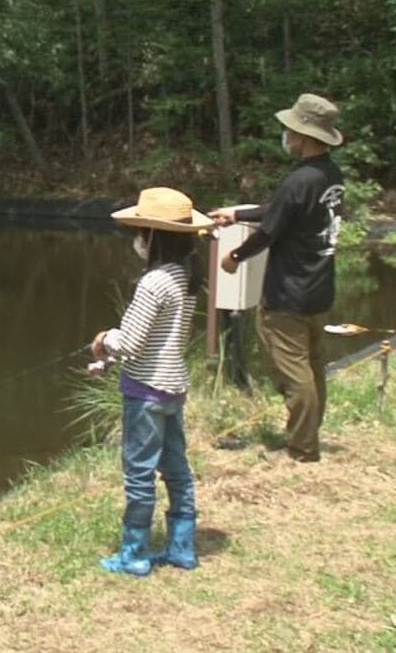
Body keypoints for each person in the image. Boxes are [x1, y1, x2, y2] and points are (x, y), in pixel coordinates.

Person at [208, 93, 345, 463]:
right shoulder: (329, 175)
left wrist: (235, 257)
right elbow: (281, 213)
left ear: (305, 136)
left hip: (288, 295)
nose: (285, 135)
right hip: (320, 289)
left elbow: (270, 231)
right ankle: (306, 435)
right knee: (314, 368)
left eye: (290, 130)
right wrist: (237, 215)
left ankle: (302, 448)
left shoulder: (297, 180)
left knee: (292, 372)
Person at [90, 187, 212, 576]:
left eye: (140, 232)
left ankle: (135, 554)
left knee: (139, 472)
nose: (136, 241)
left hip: (144, 393)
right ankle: (181, 548)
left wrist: (103, 341)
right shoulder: (184, 276)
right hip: (173, 388)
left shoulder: (153, 282)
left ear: (153, 238)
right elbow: (158, 340)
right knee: (176, 468)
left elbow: (131, 342)